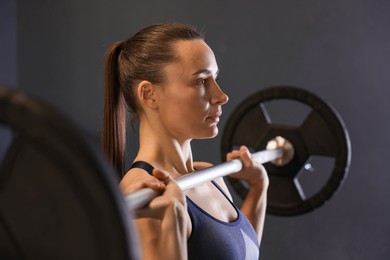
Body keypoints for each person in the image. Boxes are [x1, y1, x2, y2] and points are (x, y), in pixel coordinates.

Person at [102, 23, 269, 260]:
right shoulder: (148, 197)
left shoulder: (211, 176)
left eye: (215, 78)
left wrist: (258, 189)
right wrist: (172, 227)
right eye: (201, 81)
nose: (221, 96)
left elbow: (242, 253)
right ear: (149, 94)